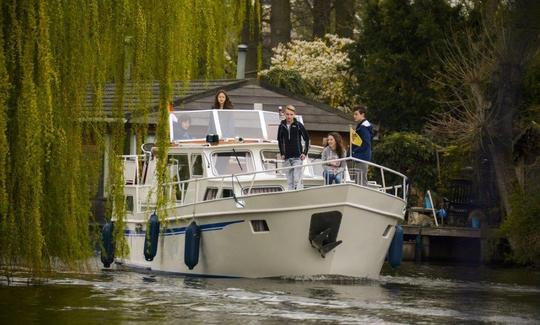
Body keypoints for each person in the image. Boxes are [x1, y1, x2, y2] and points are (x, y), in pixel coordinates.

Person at [277, 105, 310, 190]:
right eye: (287, 114)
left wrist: (304, 153)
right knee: (289, 182)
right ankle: (292, 199)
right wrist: (282, 153)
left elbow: (307, 139)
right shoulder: (281, 126)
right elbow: (280, 141)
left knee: (297, 179)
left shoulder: (298, 125)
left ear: (294, 115)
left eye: (291, 114)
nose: (289, 116)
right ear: (284, 114)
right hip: (287, 158)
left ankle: (300, 196)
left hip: (297, 157)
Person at [351, 105, 373, 185]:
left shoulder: (364, 127)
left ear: (362, 114)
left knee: (361, 180)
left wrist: (354, 152)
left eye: (356, 114)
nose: (354, 116)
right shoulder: (361, 126)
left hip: (362, 156)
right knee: (359, 179)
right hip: (360, 156)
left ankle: (363, 197)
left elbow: (366, 144)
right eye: (354, 114)